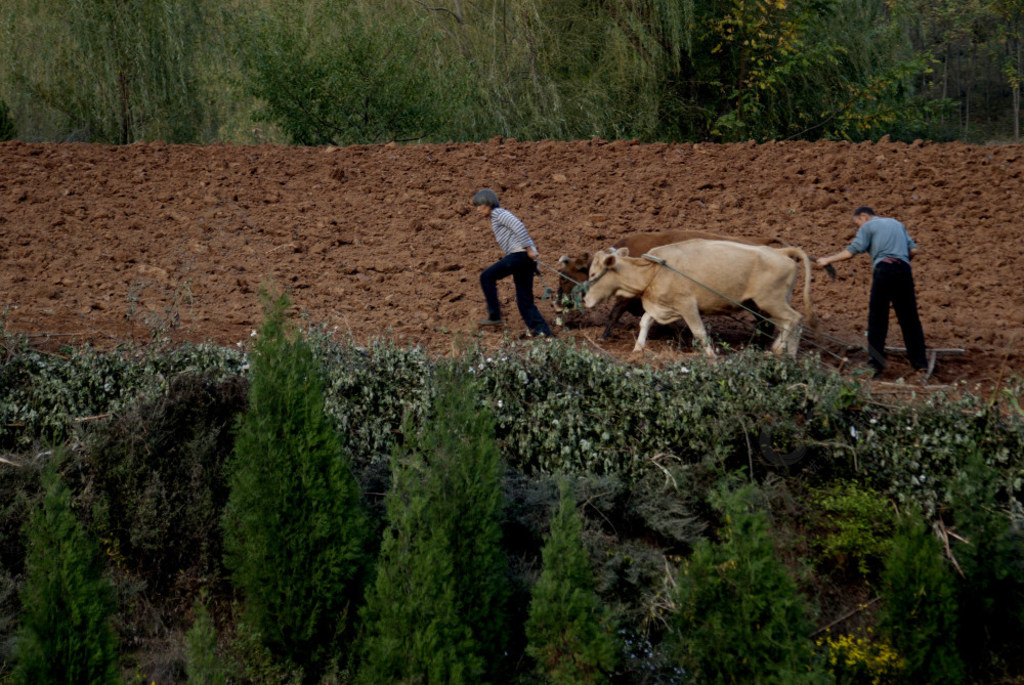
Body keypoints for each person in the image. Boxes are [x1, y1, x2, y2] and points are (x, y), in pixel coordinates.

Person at [817, 206, 928, 378]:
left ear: (864, 217)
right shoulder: (896, 223)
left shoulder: (868, 226)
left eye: (857, 224)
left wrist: (827, 260)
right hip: (904, 271)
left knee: (877, 319)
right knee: (909, 319)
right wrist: (900, 259)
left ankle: (876, 365)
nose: (858, 228)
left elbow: (852, 251)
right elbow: (914, 250)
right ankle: (920, 365)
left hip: (884, 270)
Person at [472, 189, 553, 337]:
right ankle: (544, 334)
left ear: (490, 204)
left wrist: (528, 250)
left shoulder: (498, 213)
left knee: (486, 277)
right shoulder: (495, 216)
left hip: (519, 255)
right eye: (476, 206)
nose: (478, 210)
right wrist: (532, 257)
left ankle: (495, 316)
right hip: (524, 259)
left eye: (481, 206)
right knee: (524, 301)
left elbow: (519, 226)